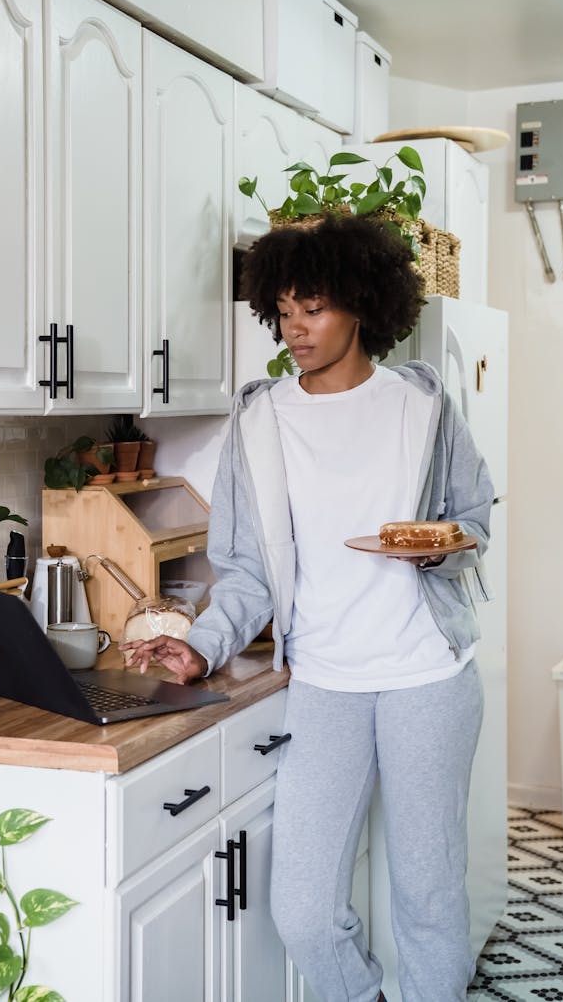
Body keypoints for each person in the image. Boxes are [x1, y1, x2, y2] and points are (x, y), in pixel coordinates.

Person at [121, 213, 494, 1002]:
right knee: (302, 909)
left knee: (428, 898)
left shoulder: (422, 406)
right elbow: (245, 571)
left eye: (314, 308)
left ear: (361, 303)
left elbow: (474, 516)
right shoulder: (259, 421)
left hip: (427, 672)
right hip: (322, 680)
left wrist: (442, 541)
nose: (297, 328)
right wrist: (202, 644)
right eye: (284, 310)